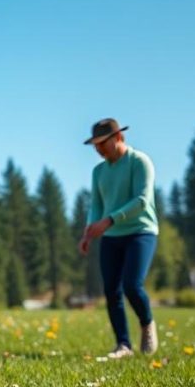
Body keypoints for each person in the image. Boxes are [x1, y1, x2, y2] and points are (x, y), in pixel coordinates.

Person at [78, 118, 159, 358]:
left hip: (140, 231)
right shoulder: (99, 171)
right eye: (95, 145)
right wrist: (88, 232)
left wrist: (109, 220)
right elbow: (96, 205)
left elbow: (142, 200)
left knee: (132, 285)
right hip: (111, 235)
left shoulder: (139, 162)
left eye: (102, 144)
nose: (98, 149)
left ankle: (147, 324)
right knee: (112, 291)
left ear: (119, 138)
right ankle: (123, 345)